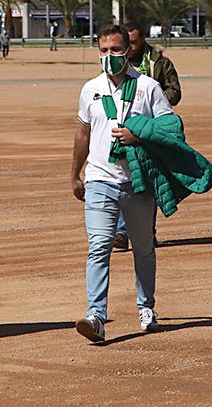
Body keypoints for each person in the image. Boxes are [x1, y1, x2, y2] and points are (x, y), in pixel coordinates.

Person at [71, 25, 174, 342]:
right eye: (103, 51)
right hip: (100, 178)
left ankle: (146, 307)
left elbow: (169, 127)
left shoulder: (148, 87)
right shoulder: (90, 89)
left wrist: (138, 133)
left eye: (115, 50)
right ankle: (96, 315)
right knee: (99, 245)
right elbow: (83, 133)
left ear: (129, 50)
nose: (109, 57)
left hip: (138, 182)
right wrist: (75, 172)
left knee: (143, 249)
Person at [113, 21, 182, 251]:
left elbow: (175, 92)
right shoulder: (117, 61)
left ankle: (146, 231)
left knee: (148, 181)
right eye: (127, 43)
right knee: (124, 178)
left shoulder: (159, 62)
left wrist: (150, 95)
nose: (129, 47)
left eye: (133, 42)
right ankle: (122, 233)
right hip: (122, 128)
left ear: (143, 39)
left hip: (150, 131)